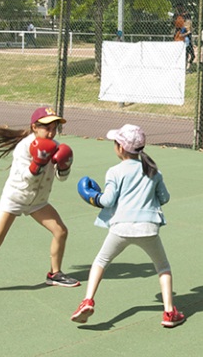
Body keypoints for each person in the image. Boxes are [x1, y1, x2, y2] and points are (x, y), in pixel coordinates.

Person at [72, 124, 185, 327]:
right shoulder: (153, 172)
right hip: (148, 229)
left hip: (120, 228)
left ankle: (87, 300)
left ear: (121, 148)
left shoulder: (114, 171)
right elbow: (165, 198)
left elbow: (107, 201)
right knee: (163, 268)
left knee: (100, 262)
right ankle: (169, 313)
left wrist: (92, 197)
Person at [0, 107, 79, 298]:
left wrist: (64, 166)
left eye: (54, 128)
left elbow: (61, 178)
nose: (51, 132)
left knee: (61, 231)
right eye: (46, 128)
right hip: (15, 198)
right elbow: (26, 178)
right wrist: (38, 163)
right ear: (35, 127)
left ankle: (54, 274)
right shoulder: (24, 147)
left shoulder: (56, 146)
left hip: (38, 201)